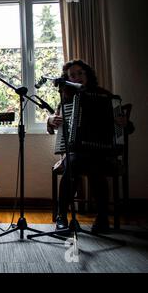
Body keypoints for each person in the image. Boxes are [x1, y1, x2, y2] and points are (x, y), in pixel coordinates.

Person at [47, 59, 133, 233]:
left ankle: (101, 217)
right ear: (67, 78)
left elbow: (129, 128)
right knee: (74, 164)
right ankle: (63, 217)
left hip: (102, 152)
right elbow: (53, 125)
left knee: (93, 164)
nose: (77, 77)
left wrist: (124, 123)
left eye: (80, 73)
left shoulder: (106, 96)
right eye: (72, 75)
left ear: (87, 74)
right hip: (75, 151)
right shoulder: (66, 97)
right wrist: (49, 120)